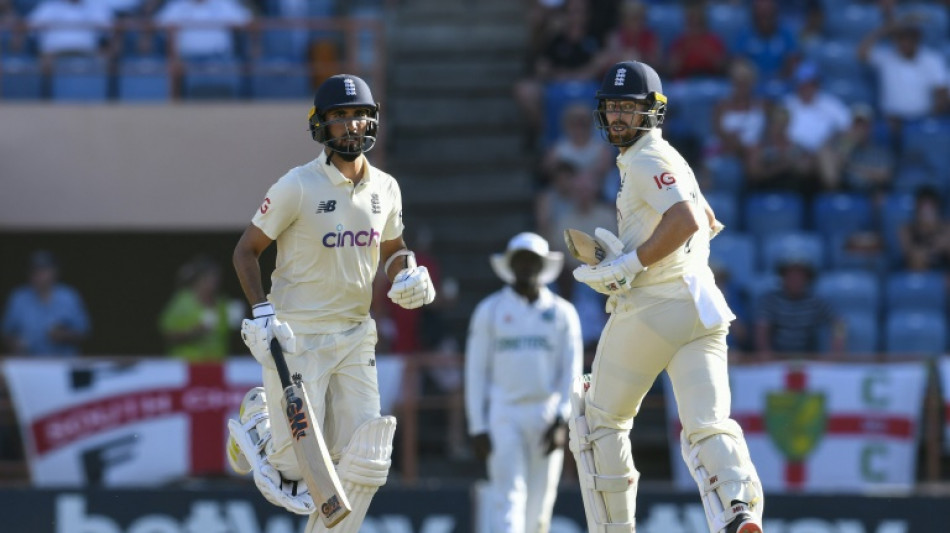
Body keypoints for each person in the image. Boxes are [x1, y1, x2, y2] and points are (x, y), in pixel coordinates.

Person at [225, 73, 436, 533]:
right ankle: (259, 420)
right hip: (296, 335)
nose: (351, 126)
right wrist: (262, 313)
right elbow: (245, 251)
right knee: (295, 471)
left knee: (364, 460)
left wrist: (408, 272)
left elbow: (393, 248)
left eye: (358, 115)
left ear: (373, 120)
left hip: (356, 334)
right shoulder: (296, 185)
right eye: (339, 118)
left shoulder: (386, 187)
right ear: (320, 125)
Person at [567, 61, 764, 533]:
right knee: (707, 425)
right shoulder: (671, 157)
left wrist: (627, 266)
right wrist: (624, 252)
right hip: (702, 307)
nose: (617, 118)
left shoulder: (646, 159)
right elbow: (708, 221)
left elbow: (686, 222)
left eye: (627, 109)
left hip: (656, 306)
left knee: (598, 421)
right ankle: (737, 512)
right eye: (611, 108)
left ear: (652, 112)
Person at [465, 232, 583, 533]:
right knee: (508, 498)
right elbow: (476, 371)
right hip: (504, 413)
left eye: (534, 261)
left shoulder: (563, 313)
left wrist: (562, 420)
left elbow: (572, 371)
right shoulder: (489, 311)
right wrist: (478, 426)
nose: (527, 267)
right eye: (521, 261)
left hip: (547, 414)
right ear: (510, 265)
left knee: (541, 505)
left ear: (543, 266)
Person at [754, 254, 845, 359]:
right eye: (790, 275)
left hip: (809, 359)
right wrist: (765, 353)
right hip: (776, 358)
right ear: (783, 277)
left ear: (808, 279)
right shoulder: (770, 300)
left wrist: (836, 352)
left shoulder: (815, 302)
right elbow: (761, 328)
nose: (795, 279)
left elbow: (839, 323)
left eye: (800, 276)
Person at [2, 250, 90, 356]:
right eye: (34, 271)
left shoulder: (69, 296)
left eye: (44, 271)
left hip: (63, 363)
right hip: (28, 363)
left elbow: (84, 333)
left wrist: (64, 335)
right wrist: (15, 343)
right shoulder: (18, 298)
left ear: (55, 272)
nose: (39, 276)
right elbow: (5, 333)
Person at [158, 254, 243, 362]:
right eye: (209, 277)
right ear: (198, 279)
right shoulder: (182, 301)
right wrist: (192, 333)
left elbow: (234, 335)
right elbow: (166, 334)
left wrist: (243, 325)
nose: (214, 283)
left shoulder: (223, 303)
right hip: (186, 367)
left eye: (216, 278)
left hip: (217, 365)